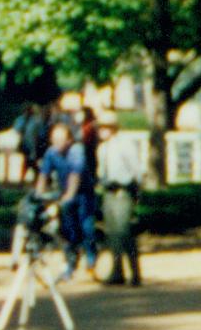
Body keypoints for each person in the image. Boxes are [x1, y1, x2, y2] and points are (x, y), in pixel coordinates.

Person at [33, 120, 93, 280]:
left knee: (86, 225)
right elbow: (44, 174)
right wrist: (38, 195)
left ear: (69, 140)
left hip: (82, 192)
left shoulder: (76, 150)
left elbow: (75, 175)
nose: (57, 144)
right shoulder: (51, 152)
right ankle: (70, 264)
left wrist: (70, 195)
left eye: (60, 140)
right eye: (54, 140)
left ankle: (91, 257)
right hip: (64, 192)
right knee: (66, 229)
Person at [97, 122, 148, 285]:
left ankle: (135, 273)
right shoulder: (103, 148)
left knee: (124, 232)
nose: (101, 131)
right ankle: (117, 271)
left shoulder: (125, 145)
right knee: (112, 233)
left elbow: (136, 169)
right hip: (109, 191)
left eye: (104, 127)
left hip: (122, 191)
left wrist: (137, 191)